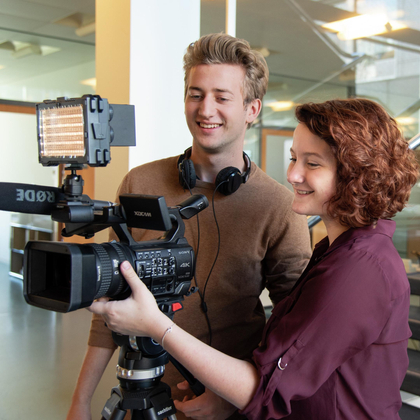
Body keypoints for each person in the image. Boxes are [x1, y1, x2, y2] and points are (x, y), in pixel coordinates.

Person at [89, 97, 419, 419]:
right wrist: (227, 398)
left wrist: (155, 325)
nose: (293, 174)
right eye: (293, 158)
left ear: (358, 174)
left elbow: (266, 390)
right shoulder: (337, 251)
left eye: (312, 163)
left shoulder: (359, 269)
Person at [66, 33, 311, 420]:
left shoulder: (279, 205)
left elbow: (294, 330)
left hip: (227, 406)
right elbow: (110, 304)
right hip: (141, 394)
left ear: (252, 109)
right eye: (196, 94)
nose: (205, 109)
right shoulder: (139, 183)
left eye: (222, 97)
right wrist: (80, 400)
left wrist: (233, 396)